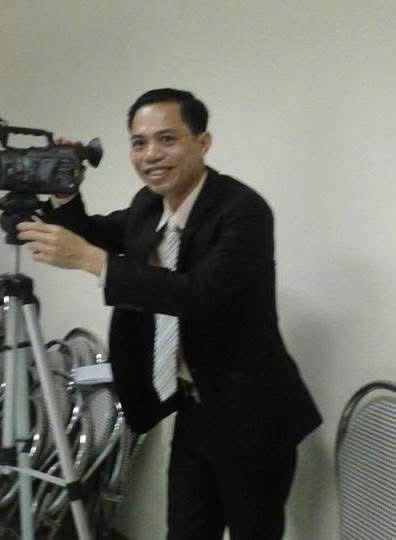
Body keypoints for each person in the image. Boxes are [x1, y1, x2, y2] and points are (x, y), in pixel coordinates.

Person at [17, 88, 322, 539]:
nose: (151, 155)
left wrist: (93, 261)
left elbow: (200, 295)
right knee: (184, 530)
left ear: (202, 142)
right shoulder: (147, 206)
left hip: (254, 414)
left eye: (167, 139)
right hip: (194, 407)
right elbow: (93, 233)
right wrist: (65, 194)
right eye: (139, 143)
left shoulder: (243, 211)